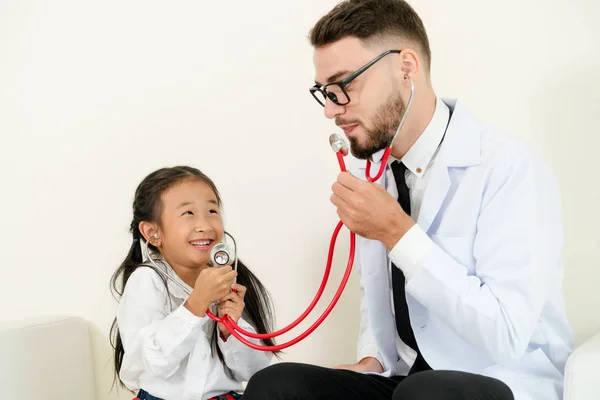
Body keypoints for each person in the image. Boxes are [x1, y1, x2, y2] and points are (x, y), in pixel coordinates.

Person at [243, 1, 573, 399]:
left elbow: (506, 333)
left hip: (498, 380)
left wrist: (397, 232)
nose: (331, 110)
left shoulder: (506, 167)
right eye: (325, 92)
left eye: (344, 85)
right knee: (278, 386)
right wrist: (372, 358)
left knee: (426, 393)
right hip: (404, 382)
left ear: (406, 67)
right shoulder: (375, 174)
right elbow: (379, 299)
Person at [109, 166, 279, 400]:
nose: (205, 225)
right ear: (152, 232)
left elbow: (254, 371)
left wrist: (231, 329)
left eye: (212, 210)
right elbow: (152, 361)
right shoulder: (147, 280)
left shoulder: (228, 279)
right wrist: (196, 304)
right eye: (188, 213)